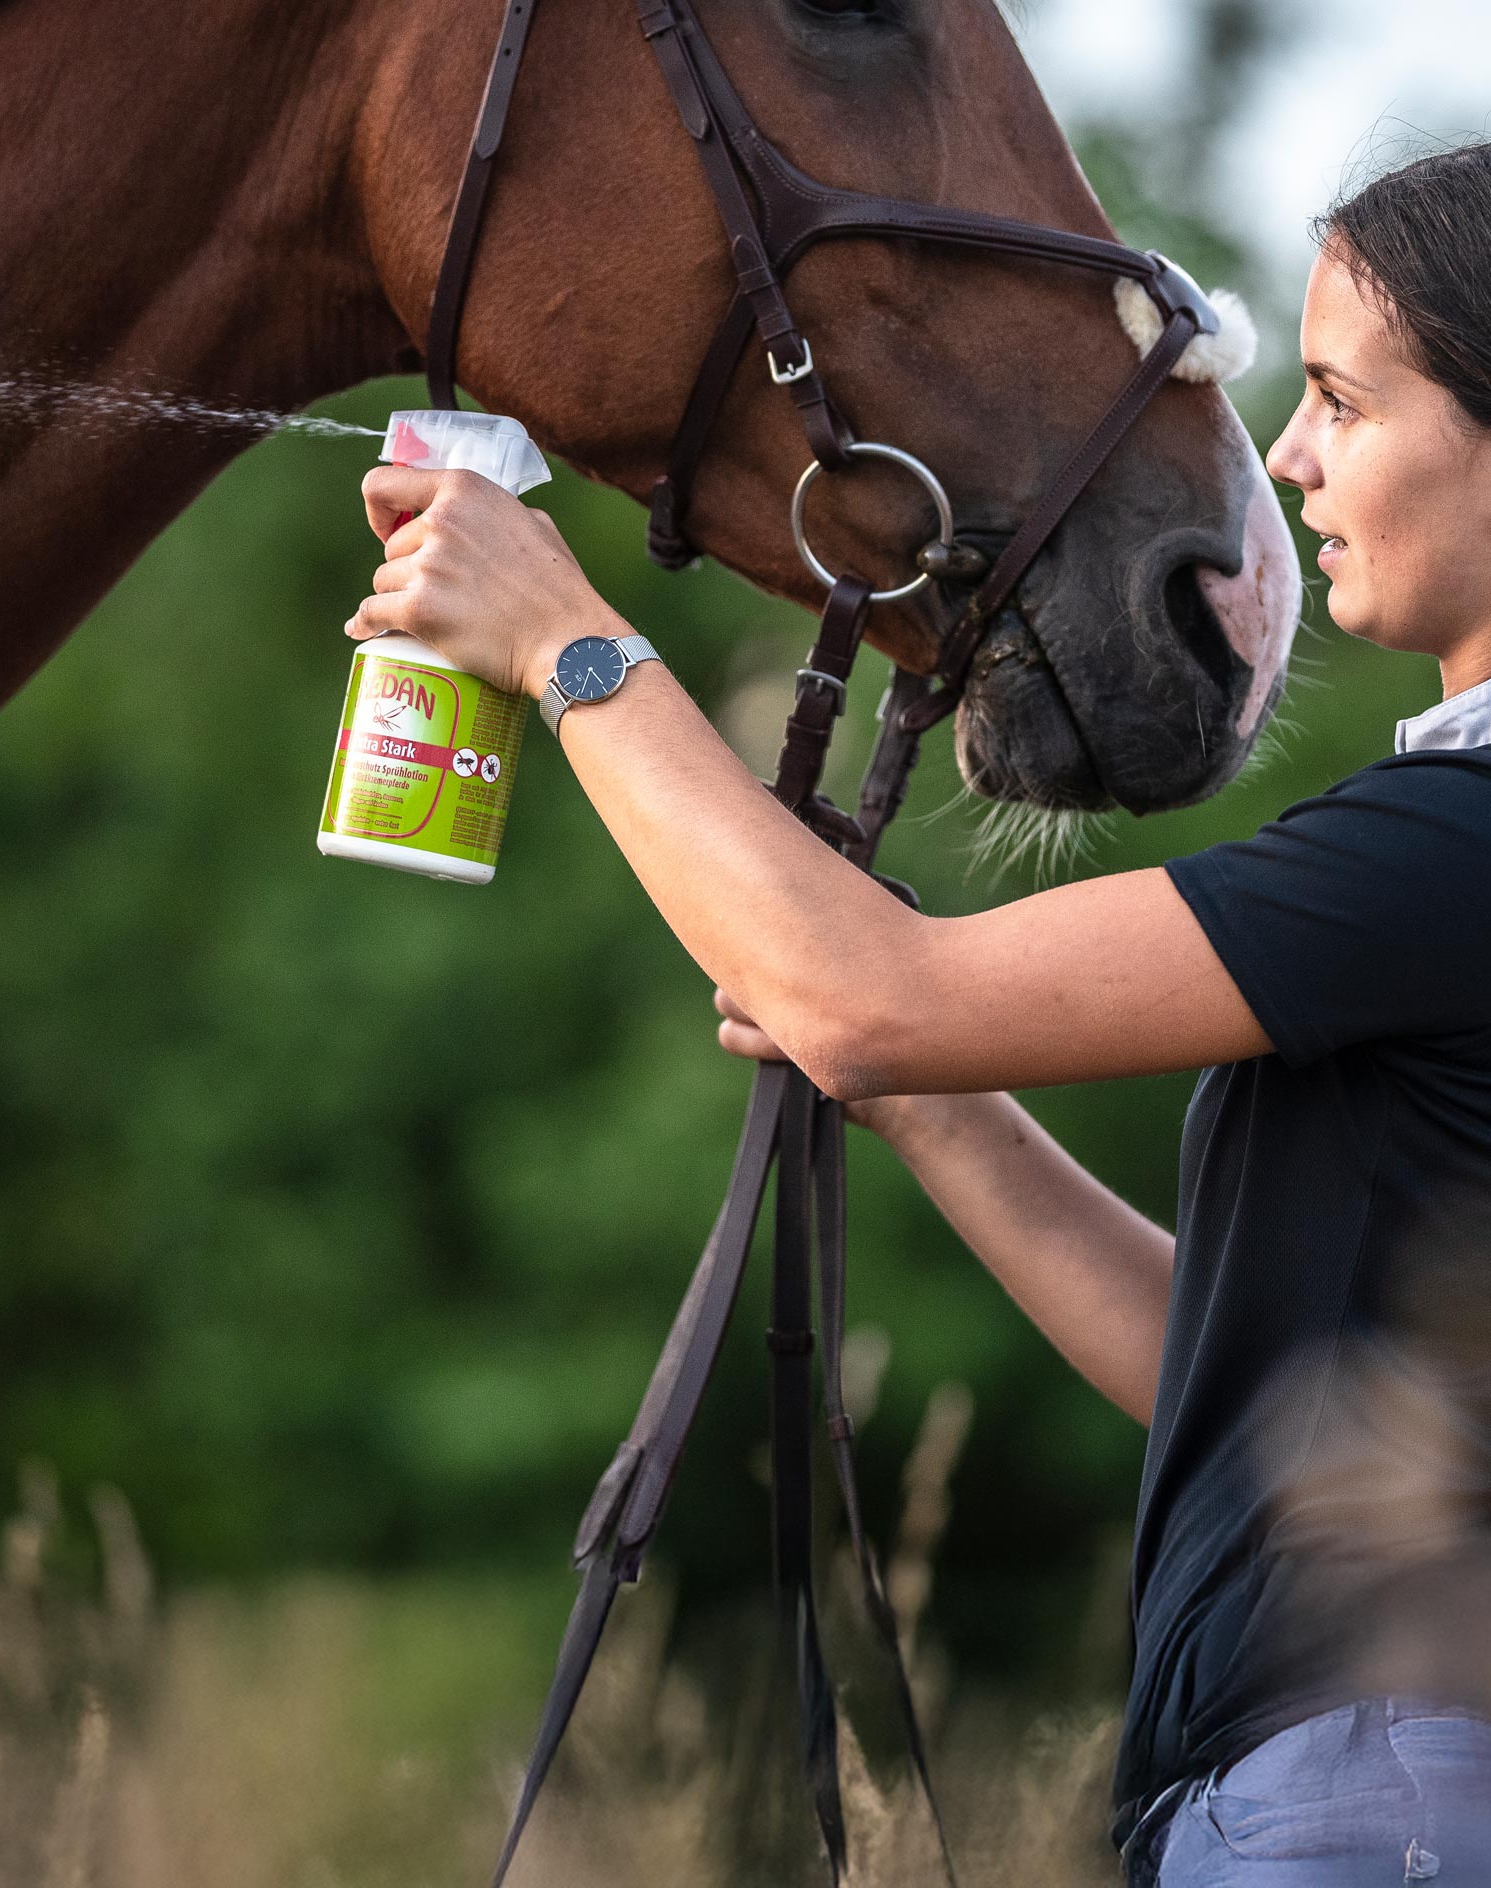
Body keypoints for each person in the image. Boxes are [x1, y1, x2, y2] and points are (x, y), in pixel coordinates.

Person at [346, 143, 1491, 1884]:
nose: (1289, 455)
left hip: (1371, 1800)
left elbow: (865, 998)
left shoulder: (1454, 850)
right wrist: (932, 1103)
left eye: (1345, 399)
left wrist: (562, 642)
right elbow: (1236, 1374)